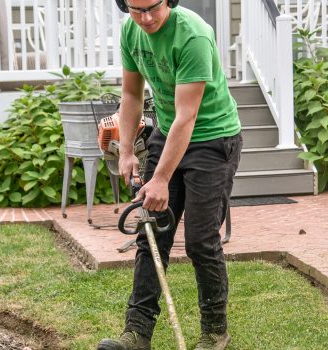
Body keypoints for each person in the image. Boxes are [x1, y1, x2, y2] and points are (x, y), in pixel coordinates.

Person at [97, 0, 242, 349]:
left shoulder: (193, 36)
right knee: (151, 234)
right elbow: (132, 94)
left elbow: (187, 116)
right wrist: (128, 150)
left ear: (170, 1)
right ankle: (136, 334)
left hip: (212, 138)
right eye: (135, 9)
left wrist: (160, 179)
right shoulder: (131, 31)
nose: (145, 18)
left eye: (153, 8)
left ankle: (214, 331)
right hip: (168, 133)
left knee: (200, 241)